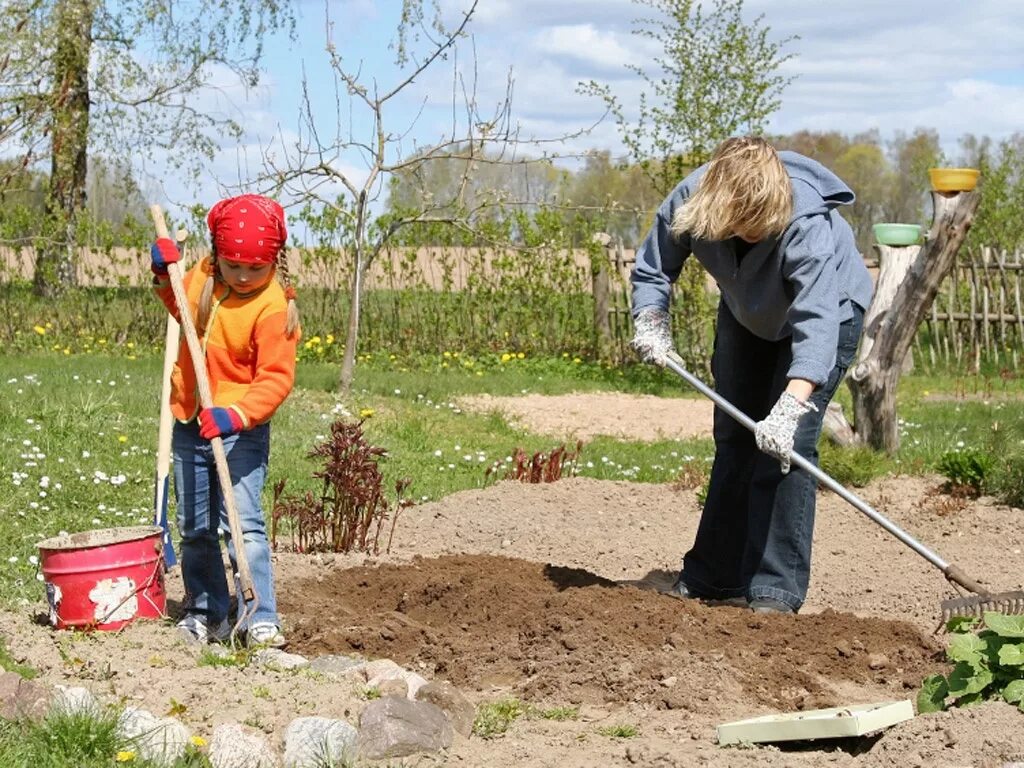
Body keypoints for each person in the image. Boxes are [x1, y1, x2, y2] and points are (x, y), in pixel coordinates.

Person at [630, 136, 872, 614]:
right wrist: (651, 321)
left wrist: (790, 406)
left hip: (827, 316)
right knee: (736, 437)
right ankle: (714, 577)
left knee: (789, 448)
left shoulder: (806, 222)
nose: (758, 231)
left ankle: (774, 591)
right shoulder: (690, 201)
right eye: (746, 224)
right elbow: (654, 269)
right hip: (748, 316)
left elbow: (817, 322)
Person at [151, 194, 301, 646]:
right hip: (191, 418)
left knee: (243, 526)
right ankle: (206, 611)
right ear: (218, 255)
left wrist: (235, 414)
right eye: (234, 265)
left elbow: (275, 379)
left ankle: (260, 616)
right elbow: (180, 306)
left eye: (255, 268)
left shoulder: (273, 306)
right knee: (196, 526)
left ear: (274, 261)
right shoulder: (207, 274)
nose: (243, 276)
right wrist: (164, 274)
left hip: (241, 430)